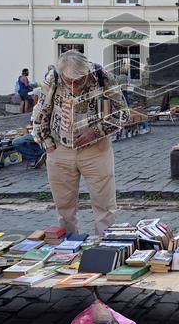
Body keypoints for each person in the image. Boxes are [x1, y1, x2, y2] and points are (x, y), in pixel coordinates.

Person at [32, 50, 129, 237]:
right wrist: (47, 144)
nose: (75, 85)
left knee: (105, 205)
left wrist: (95, 131)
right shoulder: (53, 78)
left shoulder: (102, 76)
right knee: (64, 206)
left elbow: (123, 113)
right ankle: (69, 246)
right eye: (70, 81)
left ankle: (106, 246)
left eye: (80, 79)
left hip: (96, 150)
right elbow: (40, 112)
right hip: (60, 149)